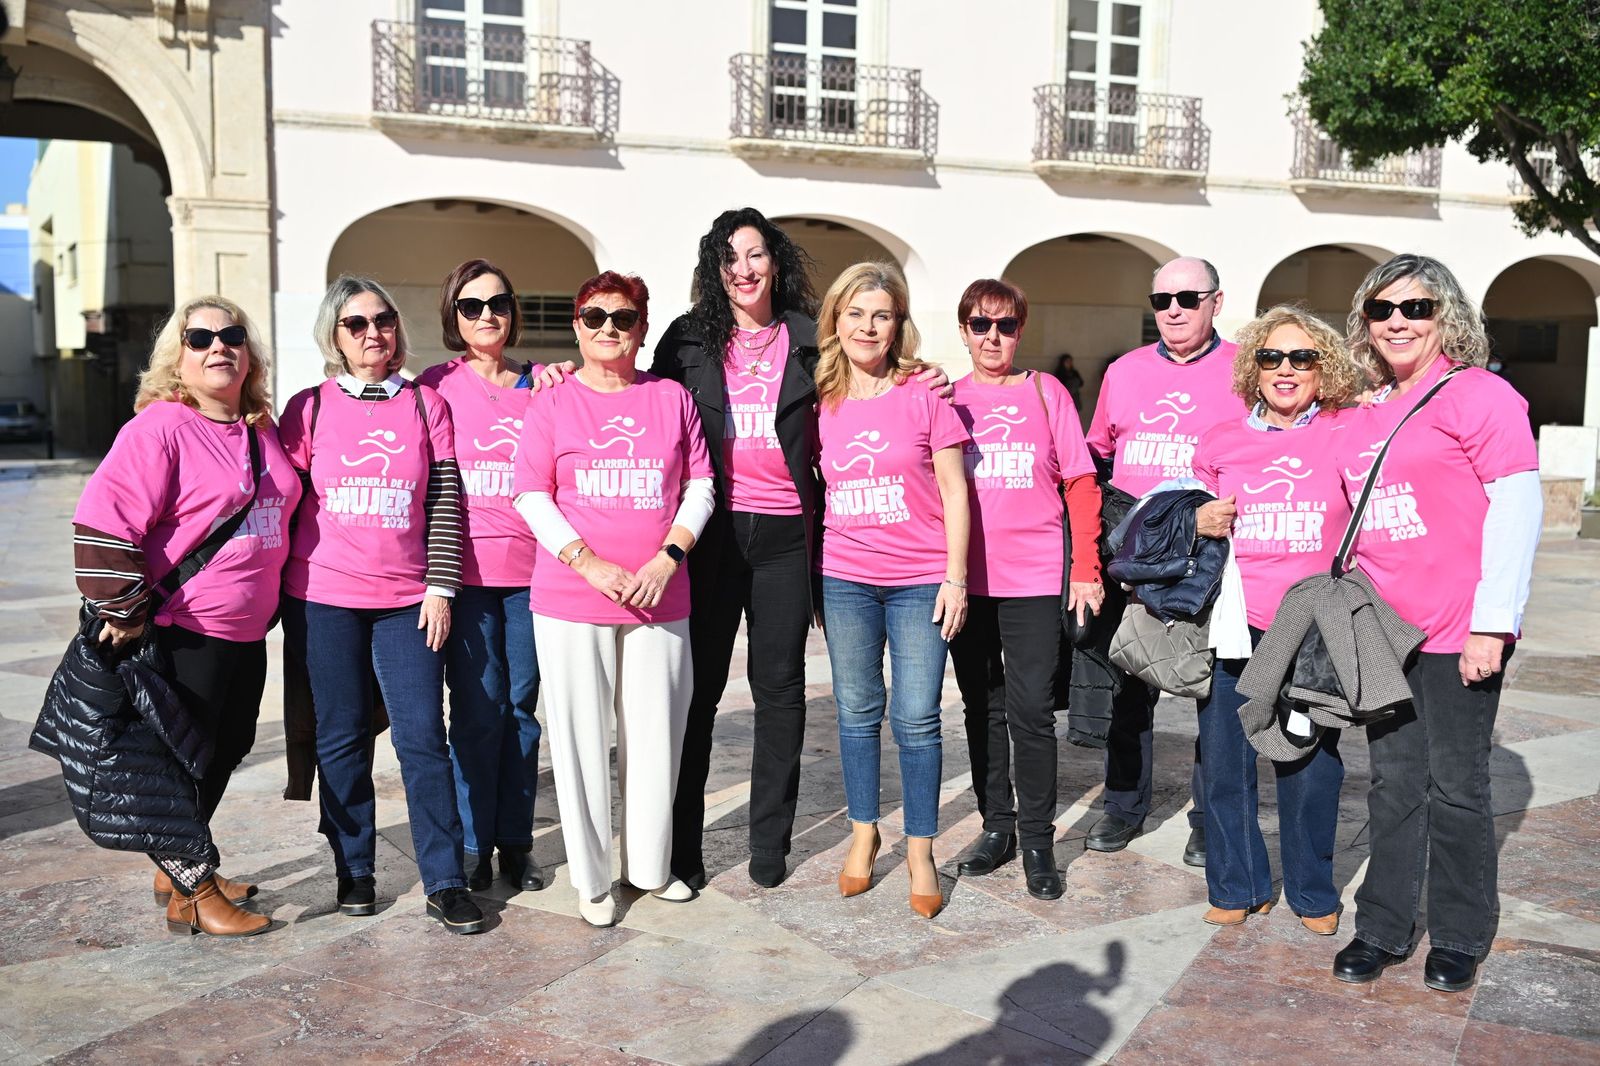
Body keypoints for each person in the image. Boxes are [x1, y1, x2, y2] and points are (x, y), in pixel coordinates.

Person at [555, 207, 951, 890]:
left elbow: (869, 374)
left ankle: (770, 843)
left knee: (781, 690)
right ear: (715, 269)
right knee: (697, 692)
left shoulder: (808, 337)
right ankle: (680, 854)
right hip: (708, 536)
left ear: (776, 263)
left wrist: (928, 376)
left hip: (788, 538)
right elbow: (633, 397)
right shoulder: (686, 340)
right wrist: (564, 373)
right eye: (730, 257)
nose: (744, 269)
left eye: (757, 255)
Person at [1330, 255, 1541, 993]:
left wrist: (1494, 624)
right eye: (1382, 309)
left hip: (1459, 631)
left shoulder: (1479, 395)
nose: (1396, 321)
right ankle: (1382, 925)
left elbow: (1516, 507)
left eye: (1415, 308)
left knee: (1456, 785)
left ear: (1444, 316)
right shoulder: (1365, 408)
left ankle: (1458, 932)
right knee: (1392, 783)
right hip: (1383, 630)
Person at [72, 297, 300, 936]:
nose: (218, 347)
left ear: (250, 352)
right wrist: (125, 609)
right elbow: (101, 519)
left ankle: (180, 866)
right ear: (179, 354)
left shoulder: (260, 427)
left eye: (232, 335)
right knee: (180, 761)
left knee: (226, 747)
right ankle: (194, 892)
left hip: (247, 628)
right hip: (181, 627)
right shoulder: (162, 427)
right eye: (200, 337)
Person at [278, 275, 484, 934]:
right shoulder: (308, 409)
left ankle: (445, 880)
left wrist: (441, 586)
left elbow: (447, 499)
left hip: (408, 601)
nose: (374, 334)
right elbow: (279, 500)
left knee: (423, 739)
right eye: (356, 324)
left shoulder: (426, 406)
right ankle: (355, 871)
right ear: (333, 337)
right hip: (324, 600)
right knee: (339, 739)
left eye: (384, 320)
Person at [513, 271, 715, 928]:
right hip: (572, 597)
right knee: (578, 741)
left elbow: (700, 487)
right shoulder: (550, 404)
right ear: (577, 326)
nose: (608, 329)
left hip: (662, 594)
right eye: (595, 317)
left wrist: (668, 556)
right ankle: (594, 880)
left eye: (622, 318)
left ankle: (650, 869)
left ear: (641, 328)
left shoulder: (670, 399)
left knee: (656, 736)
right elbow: (531, 494)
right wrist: (587, 562)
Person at [1191, 305, 1364, 935]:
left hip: (1313, 627)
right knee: (1225, 760)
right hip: (1236, 622)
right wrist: (1197, 519)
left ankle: (1313, 893)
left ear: (1325, 368)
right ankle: (1238, 886)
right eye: (1271, 357)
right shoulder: (1220, 439)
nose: (1285, 370)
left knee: (1312, 765)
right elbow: (1196, 513)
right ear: (1253, 369)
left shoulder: (1347, 430)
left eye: (1301, 358)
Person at [817, 262, 970, 920]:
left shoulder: (924, 392)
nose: (867, 326)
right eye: (855, 313)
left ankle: (920, 849)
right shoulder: (817, 394)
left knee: (916, 719)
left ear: (897, 323)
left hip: (918, 582)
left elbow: (956, 491)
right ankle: (862, 833)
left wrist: (956, 577)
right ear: (836, 321)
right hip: (845, 577)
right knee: (855, 714)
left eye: (880, 314)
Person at [1083, 256, 1246, 865]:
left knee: (1215, 691)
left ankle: (1209, 819)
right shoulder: (1123, 371)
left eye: (1187, 297)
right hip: (1137, 548)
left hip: (1210, 547)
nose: (1173, 309)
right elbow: (1098, 454)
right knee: (1129, 680)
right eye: (1161, 300)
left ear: (1215, 301)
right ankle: (1122, 807)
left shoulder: (1245, 371)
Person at [947, 279, 1103, 901]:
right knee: (981, 707)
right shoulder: (947, 398)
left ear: (1020, 330)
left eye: (1005, 325)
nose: (993, 337)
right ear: (963, 331)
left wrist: (1085, 567)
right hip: (967, 583)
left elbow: (1081, 483)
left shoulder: (1046, 392)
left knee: (1032, 711)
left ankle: (1039, 841)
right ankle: (997, 827)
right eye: (980, 325)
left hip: (1036, 579)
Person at [416, 260, 545, 894]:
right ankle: (473, 843)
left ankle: (516, 843)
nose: (486, 315)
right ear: (453, 315)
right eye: (471, 306)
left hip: (535, 576)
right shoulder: (434, 387)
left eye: (497, 303)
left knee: (520, 710)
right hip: (464, 578)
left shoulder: (546, 384)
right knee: (475, 711)